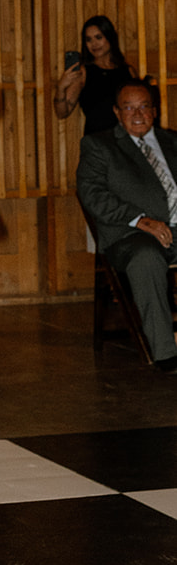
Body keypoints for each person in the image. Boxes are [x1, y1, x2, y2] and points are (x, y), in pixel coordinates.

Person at [76, 82, 177, 374]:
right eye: (129, 107)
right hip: (130, 236)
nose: (137, 114)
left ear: (154, 111)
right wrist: (141, 219)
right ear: (117, 112)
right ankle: (166, 353)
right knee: (146, 258)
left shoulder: (172, 143)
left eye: (144, 106)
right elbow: (92, 194)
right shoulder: (99, 146)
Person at [53, 15, 138, 136]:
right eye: (88, 39)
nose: (94, 44)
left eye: (98, 37)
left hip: (126, 142)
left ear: (110, 37)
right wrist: (61, 87)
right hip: (96, 145)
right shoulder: (83, 72)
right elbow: (62, 113)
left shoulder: (128, 71)